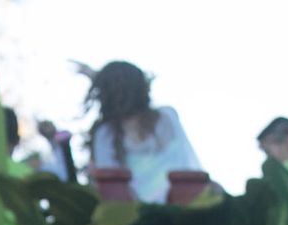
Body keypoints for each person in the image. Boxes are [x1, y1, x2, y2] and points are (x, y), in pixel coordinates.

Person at [80, 60, 200, 203]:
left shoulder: (106, 135)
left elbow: (111, 189)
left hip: (151, 215)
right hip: (185, 206)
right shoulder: (167, 116)